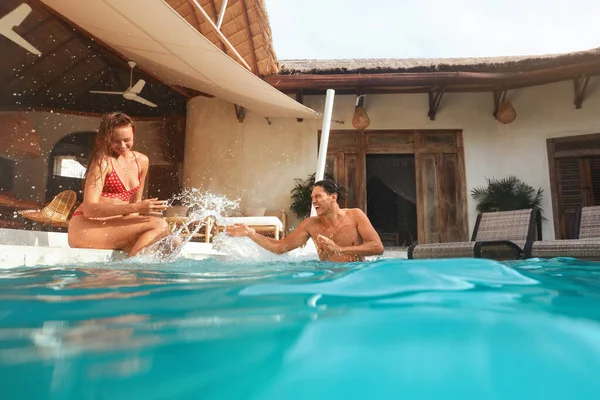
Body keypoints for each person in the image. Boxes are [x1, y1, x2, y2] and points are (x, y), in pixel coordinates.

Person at [68, 112, 170, 257]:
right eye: (115, 141)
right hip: (87, 227)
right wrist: (136, 207)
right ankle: (131, 272)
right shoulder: (103, 161)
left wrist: (136, 212)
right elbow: (90, 209)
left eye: (127, 140)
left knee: (172, 240)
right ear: (106, 138)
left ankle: (142, 276)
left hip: (115, 226)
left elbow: (135, 206)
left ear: (134, 132)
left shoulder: (141, 161)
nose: (122, 146)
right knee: (159, 225)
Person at [226, 179, 384, 262]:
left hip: (354, 275)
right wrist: (250, 233)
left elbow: (377, 247)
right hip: (326, 276)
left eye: (318, 196)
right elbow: (280, 247)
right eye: (312, 198)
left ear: (333, 197)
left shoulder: (355, 215)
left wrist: (340, 249)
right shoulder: (311, 225)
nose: (314, 201)